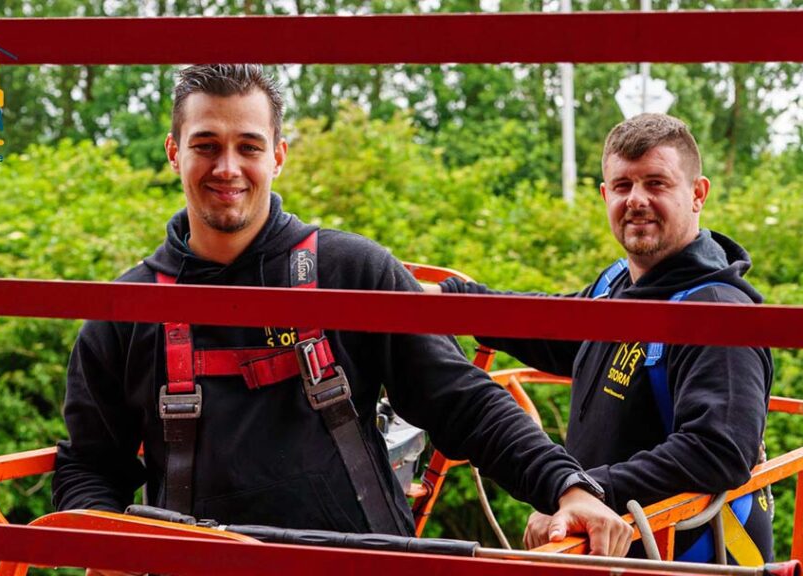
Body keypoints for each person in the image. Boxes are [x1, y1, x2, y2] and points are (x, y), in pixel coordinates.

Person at [51, 64, 632, 557]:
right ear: (175, 152)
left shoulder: (352, 274)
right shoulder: (127, 312)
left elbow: (462, 401)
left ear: (277, 156)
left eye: (248, 146)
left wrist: (566, 487)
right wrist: (109, 549)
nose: (227, 167)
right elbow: (89, 467)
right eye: (206, 145)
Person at [430, 114, 774, 564]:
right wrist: (454, 300)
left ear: (697, 194)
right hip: (613, 552)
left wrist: (583, 491)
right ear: (604, 194)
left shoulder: (716, 313)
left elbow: (718, 450)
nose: (637, 200)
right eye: (622, 185)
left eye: (656, 184)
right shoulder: (618, 285)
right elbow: (559, 332)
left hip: (680, 559)